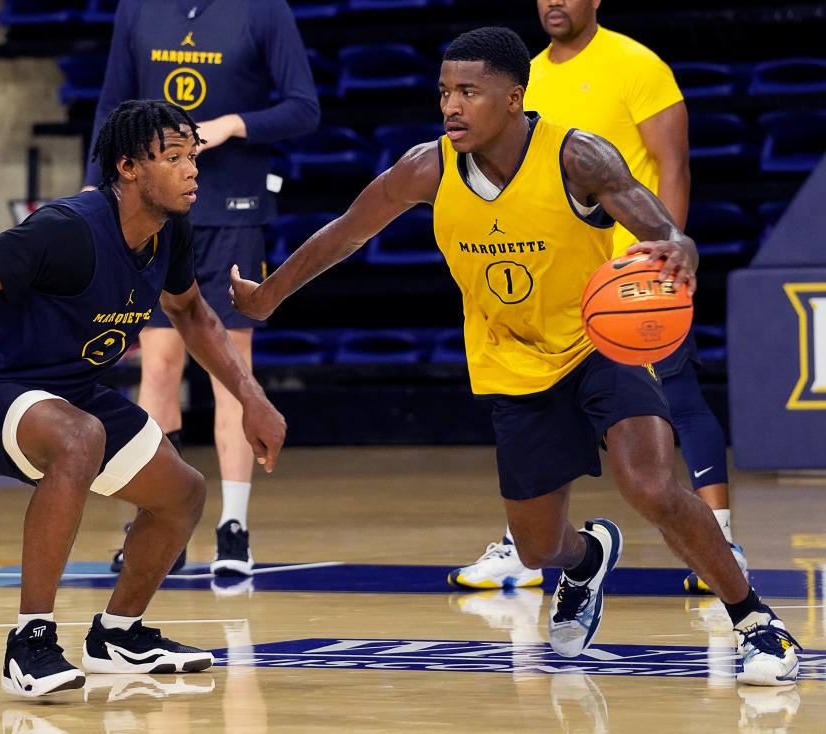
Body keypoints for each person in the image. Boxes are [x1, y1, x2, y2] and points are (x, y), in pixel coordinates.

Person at [229, 27, 801, 685]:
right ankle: (586, 561)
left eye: (468, 91)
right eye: (444, 91)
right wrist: (268, 297)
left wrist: (683, 247)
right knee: (536, 548)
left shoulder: (577, 157)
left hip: (598, 343)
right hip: (513, 362)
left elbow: (659, 228)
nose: (450, 106)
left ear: (512, 97)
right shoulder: (428, 167)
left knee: (651, 485)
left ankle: (756, 623)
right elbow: (343, 234)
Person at [0, 100, 286, 698]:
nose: (192, 170)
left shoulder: (170, 230)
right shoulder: (68, 227)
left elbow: (193, 315)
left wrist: (251, 397)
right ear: (127, 167)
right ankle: (30, 643)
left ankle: (119, 636)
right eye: (173, 157)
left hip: (66, 392)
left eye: (192, 156)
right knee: (80, 437)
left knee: (182, 494)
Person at [450, 0, 747, 595]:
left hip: (629, 280)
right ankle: (531, 545)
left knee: (677, 401)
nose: (554, 1)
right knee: (538, 416)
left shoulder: (636, 65)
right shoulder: (520, 75)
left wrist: (666, 264)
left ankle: (721, 533)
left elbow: (672, 166)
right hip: (553, 277)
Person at [84, 0, 319, 577]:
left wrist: (234, 124)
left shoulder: (263, 11)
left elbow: (303, 108)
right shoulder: (137, 10)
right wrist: (95, 195)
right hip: (150, 211)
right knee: (157, 366)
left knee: (229, 365)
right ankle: (158, 520)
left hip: (234, 211)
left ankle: (233, 527)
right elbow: (113, 105)